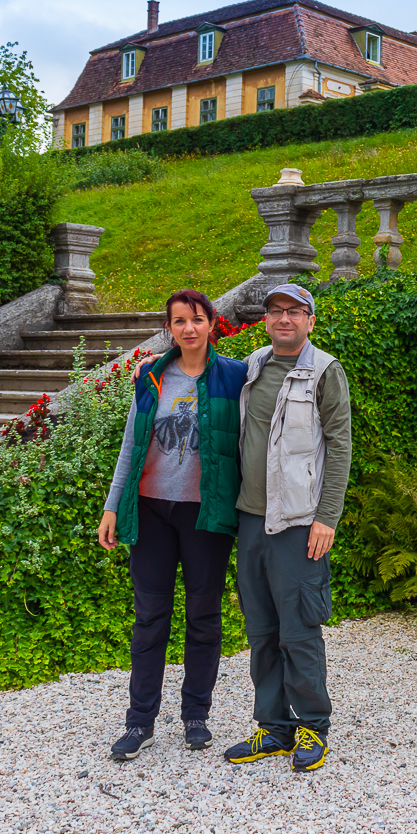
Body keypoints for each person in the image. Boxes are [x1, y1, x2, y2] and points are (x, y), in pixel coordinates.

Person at [97, 289, 248, 761]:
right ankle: (140, 721)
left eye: (197, 319)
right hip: (150, 511)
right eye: (179, 321)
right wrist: (111, 505)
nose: (188, 329)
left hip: (206, 513)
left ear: (212, 324)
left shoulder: (238, 376)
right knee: (149, 618)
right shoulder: (152, 377)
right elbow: (131, 445)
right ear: (170, 327)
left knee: (203, 617)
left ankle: (195, 715)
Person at [222, 283, 352, 773]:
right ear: (266, 319)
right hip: (251, 519)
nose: (284, 319)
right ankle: (273, 728)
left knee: (299, 631)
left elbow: (339, 447)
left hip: (299, 524)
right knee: (261, 630)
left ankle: (313, 727)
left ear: (310, 321)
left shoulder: (324, 371)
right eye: (276, 311)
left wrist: (327, 517)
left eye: (295, 311)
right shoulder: (253, 365)